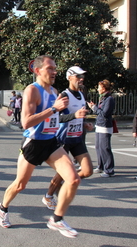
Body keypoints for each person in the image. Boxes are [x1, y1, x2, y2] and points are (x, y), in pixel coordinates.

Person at [0, 55, 81, 238]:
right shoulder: (32, 90)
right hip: (33, 143)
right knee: (20, 185)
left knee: (73, 178)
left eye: (55, 68)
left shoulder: (54, 91)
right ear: (37, 70)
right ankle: (2, 208)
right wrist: (53, 109)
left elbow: (56, 117)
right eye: (50, 68)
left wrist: (78, 120)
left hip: (51, 142)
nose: (54, 71)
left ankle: (57, 219)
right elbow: (26, 122)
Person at [42, 66, 92, 211]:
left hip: (77, 138)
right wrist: (74, 116)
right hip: (63, 139)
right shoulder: (64, 95)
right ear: (69, 77)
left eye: (82, 76)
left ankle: (64, 184)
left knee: (87, 171)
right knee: (63, 170)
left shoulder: (82, 95)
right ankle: (48, 195)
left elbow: (80, 114)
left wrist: (85, 123)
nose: (81, 79)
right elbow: (56, 117)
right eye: (78, 76)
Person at [88, 80, 116, 177]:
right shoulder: (102, 98)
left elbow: (104, 113)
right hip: (99, 125)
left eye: (99, 87)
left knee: (105, 148)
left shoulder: (109, 99)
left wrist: (94, 107)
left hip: (105, 126)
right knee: (98, 147)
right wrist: (93, 107)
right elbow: (99, 111)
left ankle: (109, 169)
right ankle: (100, 166)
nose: (98, 89)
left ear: (104, 88)